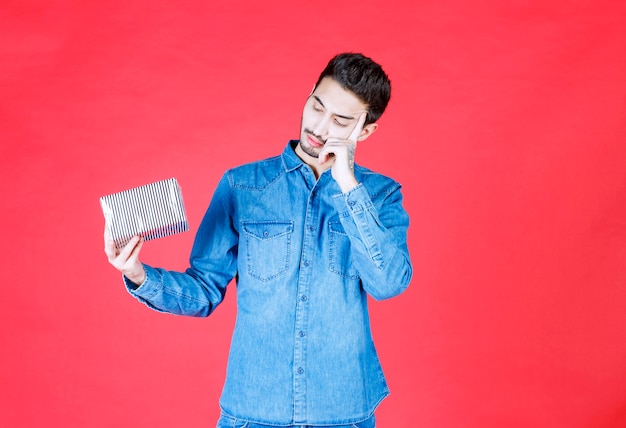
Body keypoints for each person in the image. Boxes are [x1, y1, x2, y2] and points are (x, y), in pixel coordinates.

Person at [104, 53, 412, 428]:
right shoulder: (242, 186)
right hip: (253, 412)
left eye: (340, 120)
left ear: (364, 132)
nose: (319, 126)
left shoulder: (380, 195)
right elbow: (203, 292)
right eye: (317, 106)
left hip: (344, 412)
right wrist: (137, 274)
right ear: (309, 94)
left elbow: (389, 283)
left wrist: (347, 185)